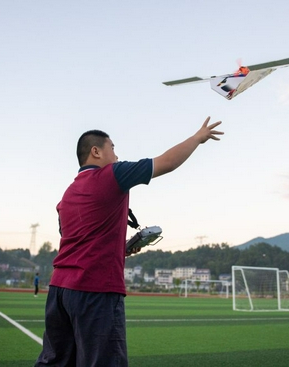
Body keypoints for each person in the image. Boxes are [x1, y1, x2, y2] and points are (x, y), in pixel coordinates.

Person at [34, 117, 223, 366]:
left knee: (55, 361)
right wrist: (197, 138)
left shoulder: (67, 195)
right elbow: (166, 163)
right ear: (96, 151)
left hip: (59, 292)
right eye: (112, 147)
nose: (116, 154)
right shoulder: (112, 174)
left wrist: (119, 249)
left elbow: (79, 242)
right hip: (95, 290)